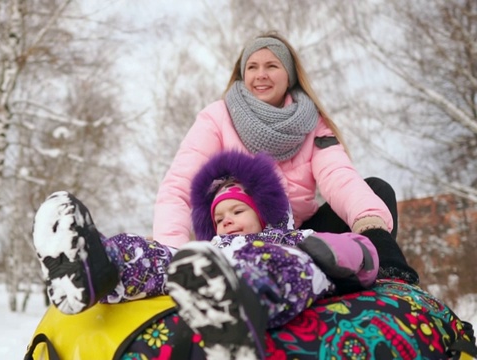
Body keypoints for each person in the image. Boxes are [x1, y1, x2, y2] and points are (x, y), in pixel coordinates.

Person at [32, 150, 379, 359]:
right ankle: (99, 266)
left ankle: (237, 311)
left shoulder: (289, 238)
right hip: (211, 269)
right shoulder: (212, 247)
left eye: (236, 212)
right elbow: (174, 257)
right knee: (160, 256)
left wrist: (343, 252)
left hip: (264, 270)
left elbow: (357, 251)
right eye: (219, 218)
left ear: (262, 212)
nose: (226, 220)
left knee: (292, 265)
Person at [152, 31, 419, 285]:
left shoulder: (312, 122)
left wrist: (372, 228)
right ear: (242, 74)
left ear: (289, 75)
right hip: (241, 240)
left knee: (376, 190)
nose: (261, 75)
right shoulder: (218, 118)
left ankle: (384, 275)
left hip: (297, 239)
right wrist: (171, 256)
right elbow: (178, 188)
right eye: (252, 67)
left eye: (272, 66)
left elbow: (340, 178)